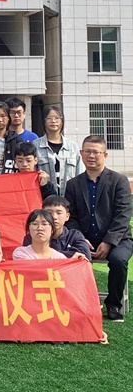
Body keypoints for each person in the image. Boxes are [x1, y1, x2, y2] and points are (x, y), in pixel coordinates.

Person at [65, 135, 133, 322]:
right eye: (87, 151)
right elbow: (71, 217)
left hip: (118, 238)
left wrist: (109, 241)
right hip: (85, 238)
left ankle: (114, 305)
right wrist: (80, 239)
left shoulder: (119, 180)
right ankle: (77, 304)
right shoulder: (73, 184)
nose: (91, 156)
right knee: (67, 258)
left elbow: (123, 214)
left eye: (96, 152)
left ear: (105, 155)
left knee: (118, 260)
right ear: (81, 153)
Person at [33, 105, 84, 195]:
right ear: (44, 122)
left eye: (57, 118)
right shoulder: (35, 145)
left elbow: (80, 173)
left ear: (62, 121)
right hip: (44, 197)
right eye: (49, 118)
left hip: (69, 197)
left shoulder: (72, 146)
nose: (53, 121)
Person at [22, 195, 91, 259]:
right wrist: (70, 255)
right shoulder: (33, 236)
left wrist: (45, 255)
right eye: (49, 213)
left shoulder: (74, 235)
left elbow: (85, 255)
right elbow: (29, 257)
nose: (54, 217)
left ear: (67, 216)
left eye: (59, 213)